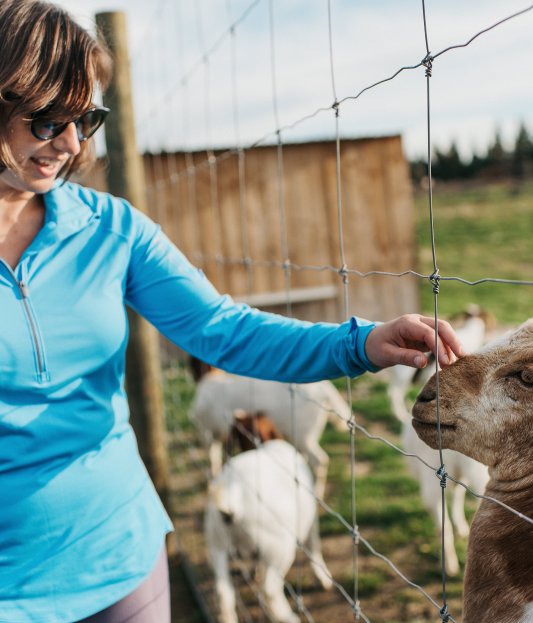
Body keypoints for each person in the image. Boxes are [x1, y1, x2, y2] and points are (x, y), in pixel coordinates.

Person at [0, 2, 463, 622]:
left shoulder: (109, 229)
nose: (72, 143)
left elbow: (222, 329)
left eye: (88, 118)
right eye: (48, 118)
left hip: (119, 562)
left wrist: (361, 343)